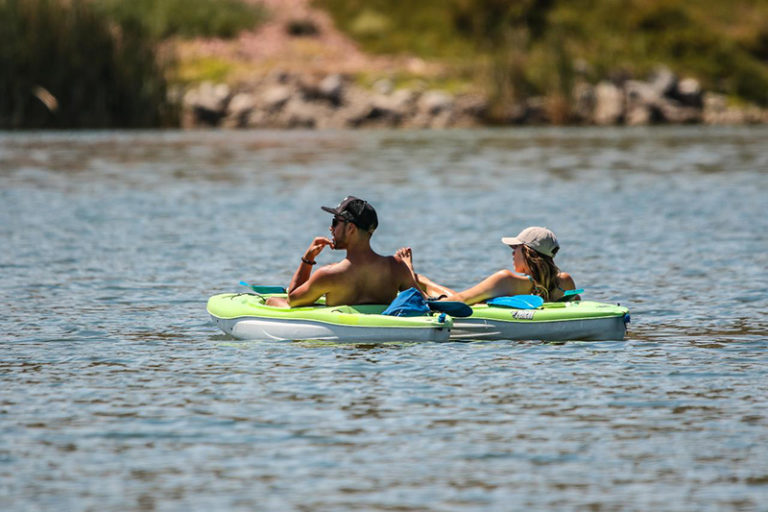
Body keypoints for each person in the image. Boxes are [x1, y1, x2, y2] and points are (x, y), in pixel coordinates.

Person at [266, 196, 421, 308]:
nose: (331, 229)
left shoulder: (328, 274)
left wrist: (307, 260)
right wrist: (409, 270)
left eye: (335, 222)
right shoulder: (396, 267)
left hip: (343, 342)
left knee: (271, 300)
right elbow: (422, 301)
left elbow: (293, 300)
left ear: (350, 228)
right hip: (383, 349)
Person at [397, 226, 580, 305]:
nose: (512, 252)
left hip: (460, 305)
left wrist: (408, 274)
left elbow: (445, 305)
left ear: (528, 252)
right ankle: (423, 281)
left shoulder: (506, 279)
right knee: (450, 293)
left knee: (446, 298)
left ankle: (413, 277)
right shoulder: (565, 281)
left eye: (515, 247)